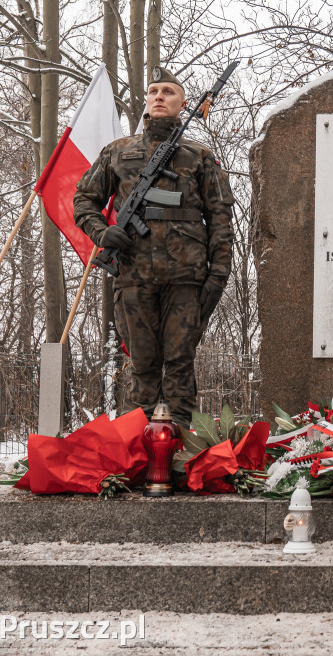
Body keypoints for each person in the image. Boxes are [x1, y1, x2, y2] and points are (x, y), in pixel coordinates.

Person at [74, 66, 234, 427]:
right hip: (133, 274)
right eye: (153, 91)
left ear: (183, 103)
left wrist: (217, 277)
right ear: (146, 101)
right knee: (143, 366)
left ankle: (178, 448)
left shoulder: (200, 156)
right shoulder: (118, 151)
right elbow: (84, 199)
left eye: (168, 92)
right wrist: (102, 233)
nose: (159, 97)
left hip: (186, 278)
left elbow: (221, 220)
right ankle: (136, 447)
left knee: (180, 363)